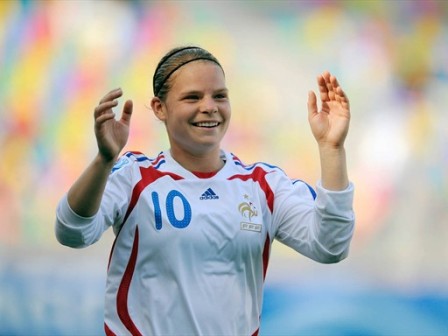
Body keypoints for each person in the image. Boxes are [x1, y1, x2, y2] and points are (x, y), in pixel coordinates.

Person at [55, 45, 355, 336]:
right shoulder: (134, 176)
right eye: (192, 97)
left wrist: (332, 148)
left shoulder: (263, 185)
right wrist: (104, 159)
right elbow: (72, 232)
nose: (209, 106)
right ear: (160, 108)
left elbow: (330, 245)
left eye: (219, 96)